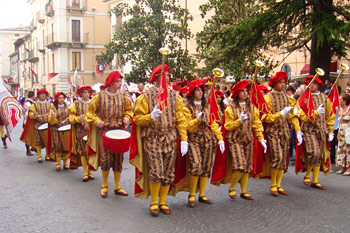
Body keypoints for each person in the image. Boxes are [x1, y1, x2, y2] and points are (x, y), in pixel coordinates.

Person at [132, 64, 188, 216]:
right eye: (164, 75)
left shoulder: (175, 96)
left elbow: (181, 119)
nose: (168, 78)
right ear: (156, 77)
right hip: (153, 137)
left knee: (168, 172)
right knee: (156, 171)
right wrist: (150, 116)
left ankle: (163, 202)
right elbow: (137, 118)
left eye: (169, 75)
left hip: (170, 137)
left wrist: (184, 138)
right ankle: (154, 202)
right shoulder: (146, 96)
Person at [213, 80, 266, 200]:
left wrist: (261, 138)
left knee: (247, 166)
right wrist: (239, 121)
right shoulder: (230, 108)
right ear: (237, 93)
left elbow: (256, 123)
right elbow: (227, 126)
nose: (245, 93)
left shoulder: (251, 107)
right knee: (240, 165)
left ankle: (243, 191)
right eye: (242, 91)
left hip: (248, 139)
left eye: (246, 90)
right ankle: (232, 188)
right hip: (235, 139)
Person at [86, 71, 133, 198]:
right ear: (111, 82)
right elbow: (90, 113)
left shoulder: (123, 97)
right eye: (117, 81)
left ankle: (117, 186)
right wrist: (97, 121)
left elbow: (129, 111)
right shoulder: (99, 97)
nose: (120, 84)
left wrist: (127, 118)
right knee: (106, 159)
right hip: (105, 132)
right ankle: (104, 185)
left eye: (120, 81)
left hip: (119, 131)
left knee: (118, 159)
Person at [183, 80, 224, 207]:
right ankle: (191, 195)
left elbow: (213, 123)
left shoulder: (207, 106)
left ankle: (201, 194)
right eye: (197, 90)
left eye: (201, 90)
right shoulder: (186, 107)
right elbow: (187, 127)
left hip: (207, 140)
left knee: (206, 167)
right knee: (196, 165)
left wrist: (220, 138)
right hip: (193, 139)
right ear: (192, 92)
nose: (200, 92)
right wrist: (197, 120)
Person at [262, 71, 302, 196]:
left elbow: (293, 116)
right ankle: (273, 184)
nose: (283, 85)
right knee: (277, 157)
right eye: (280, 83)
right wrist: (280, 114)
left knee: (283, 159)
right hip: (273, 131)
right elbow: (264, 117)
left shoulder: (288, 98)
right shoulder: (267, 98)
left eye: (284, 82)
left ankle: (279, 184)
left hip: (284, 131)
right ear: (274, 84)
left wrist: (298, 130)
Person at [297, 75, 335, 189]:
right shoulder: (304, 98)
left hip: (321, 130)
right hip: (309, 130)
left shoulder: (325, 98)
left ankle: (315, 180)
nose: (311, 85)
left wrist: (331, 130)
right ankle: (308, 175)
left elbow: (330, 115)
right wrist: (315, 113)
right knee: (314, 152)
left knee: (320, 154)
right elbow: (301, 115)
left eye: (313, 83)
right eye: (309, 83)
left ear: (318, 85)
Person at [68, 86, 94, 181]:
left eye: (88, 92)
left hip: (92, 131)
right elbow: (71, 118)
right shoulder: (76, 104)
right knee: (83, 152)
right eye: (85, 92)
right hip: (81, 131)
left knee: (90, 151)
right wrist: (79, 119)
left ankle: (90, 171)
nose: (87, 94)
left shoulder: (93, 103)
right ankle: (85, 172)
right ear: (81, 94)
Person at [25, 89, 52, 163]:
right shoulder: (34, 104)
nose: (43, 96)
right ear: (38, 95)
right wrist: (34, 115)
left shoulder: (49, 104)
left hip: (47, 124)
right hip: (37, 124)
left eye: (44, 94)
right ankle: (39, 156)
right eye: (41, 94)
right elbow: (30, 115)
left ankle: (47, 155)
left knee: (47, 140)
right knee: (38, 140)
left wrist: (51, 116)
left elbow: (52, 111)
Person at [48, 92, 70, 171]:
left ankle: (65, 163)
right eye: (59, 98)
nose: (61, 100)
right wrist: (53, 118)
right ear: (56, 99)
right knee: (58, 145)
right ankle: (58, 163)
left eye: (62, 98)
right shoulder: (53, 108)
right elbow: (50, 120)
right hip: (56, 129)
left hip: (66, 128)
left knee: (66, 146)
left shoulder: (67, 107)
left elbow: (70, 116)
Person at [335, 94, 350, 175]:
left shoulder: (349, 109)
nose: (339, 101)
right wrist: (338, 133)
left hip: (348, 130)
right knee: (341, 149)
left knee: (348, 149)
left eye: (340, 99)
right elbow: (340, 123)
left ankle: (349, 167)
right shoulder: (340, 110)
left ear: (345, 101)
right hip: (341, 131)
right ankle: (343, 166)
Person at [23, 91, 35, 155]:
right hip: (28, 121)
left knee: (33, 135)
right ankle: (28, 150)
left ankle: (33, 147)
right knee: (28, 136)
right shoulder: (28, 103)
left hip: (29, 121)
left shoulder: (27, 103)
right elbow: (27, 113)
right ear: (33, 96)